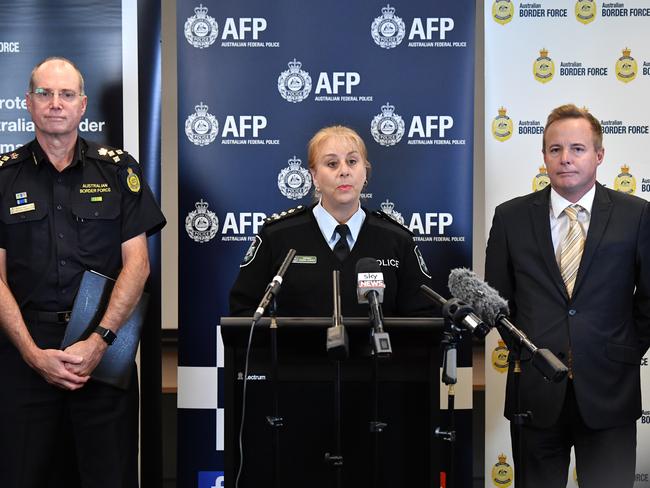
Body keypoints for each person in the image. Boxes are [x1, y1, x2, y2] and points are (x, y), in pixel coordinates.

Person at [0, 57, 166, 487]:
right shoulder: (3, 176)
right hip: (24, 354)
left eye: (66, 94)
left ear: (82, 105)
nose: (56, 103)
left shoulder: (117, 170)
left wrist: (100, 342)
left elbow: (138, 265)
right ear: (28, 103)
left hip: (102, 350)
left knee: (108, 476)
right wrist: (33, 354)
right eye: (45, 93)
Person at [485, 104, 650, 488]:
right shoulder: (510, 217)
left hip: (611, 390)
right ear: (543, 156)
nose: (566, 159)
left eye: (577, 149)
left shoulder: (637, 215)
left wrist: (624, 349)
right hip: (535, 395)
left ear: (599, 155)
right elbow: (497, 302)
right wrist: (528, 353)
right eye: (555, 149)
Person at [229, 125, 434, 318]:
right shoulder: (277, 235)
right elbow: (243, 312)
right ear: (315, 176)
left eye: (352, 161)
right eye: (332, 164)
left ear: (365, 172)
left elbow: (423, 318)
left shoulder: (397, 239)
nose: (344, 171)